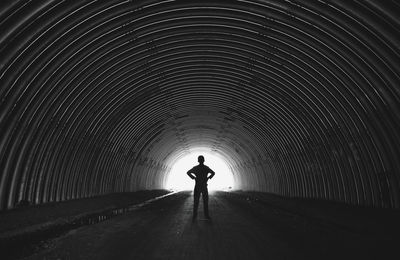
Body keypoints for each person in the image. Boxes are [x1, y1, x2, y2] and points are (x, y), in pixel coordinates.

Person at [187, 155, 215, 221]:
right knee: (205, 201)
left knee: (196, 201)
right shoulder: (206, 168)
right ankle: (206, 215)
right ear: (203, 160)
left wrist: (194, 178)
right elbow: (213, 173)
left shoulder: (196, 168)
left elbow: (188, 172)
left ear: (198, 160)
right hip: (204, 186)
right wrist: (208, 178)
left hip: (197, 186)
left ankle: (194, 216)